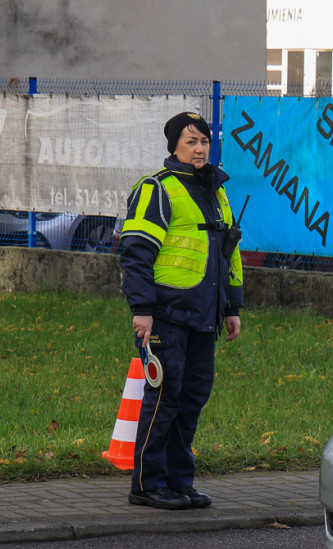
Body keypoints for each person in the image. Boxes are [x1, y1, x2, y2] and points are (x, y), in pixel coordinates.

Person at [117, 112, 243, 510]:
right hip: (166, 314)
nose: (200, 148)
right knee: (164, 397)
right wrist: (142, 309)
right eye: (191, 142)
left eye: (204, 141)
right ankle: (147, 484)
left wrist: (232, 308)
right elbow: (136, 252)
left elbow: (229, 254)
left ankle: (178, 480)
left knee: (192, 398)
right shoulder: (157, 189)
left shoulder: (216, 190)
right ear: (174, 146)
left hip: (205, 314)